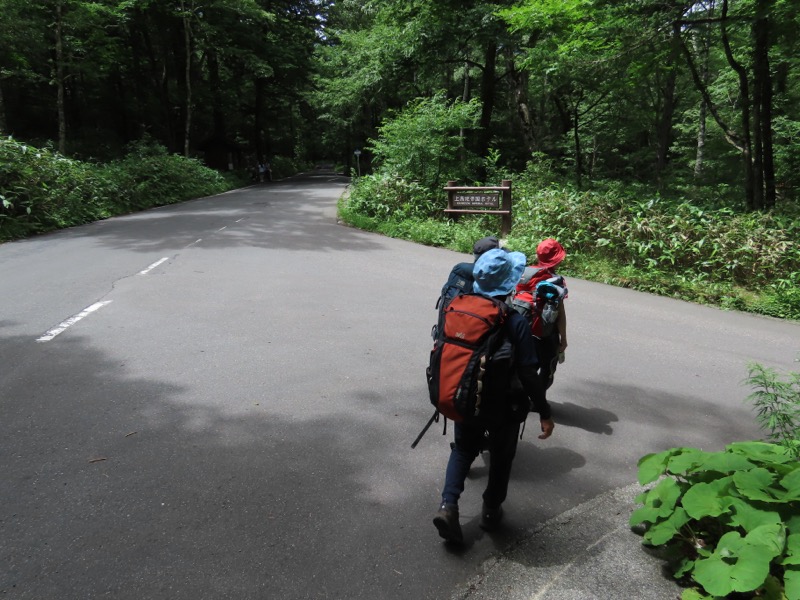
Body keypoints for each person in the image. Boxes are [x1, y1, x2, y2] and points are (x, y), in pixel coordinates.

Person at [433, 248, 555, 544]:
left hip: (464, 396)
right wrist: (544, 412)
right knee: (501, 456)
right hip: (504, 405)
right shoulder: (514, 321)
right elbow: (528, 374)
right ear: (509, 283)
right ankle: (489, 512)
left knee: (463, 450)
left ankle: (448, 506)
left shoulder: (457, 308)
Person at [516, 238, 568, 393]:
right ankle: (537, 401)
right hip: (543, 334)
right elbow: (560, 312)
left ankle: (519, 396)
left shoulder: (524, 273)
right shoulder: (555, 281)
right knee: (547, 368)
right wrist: (563, 338)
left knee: (524, 365)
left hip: (522, 329)